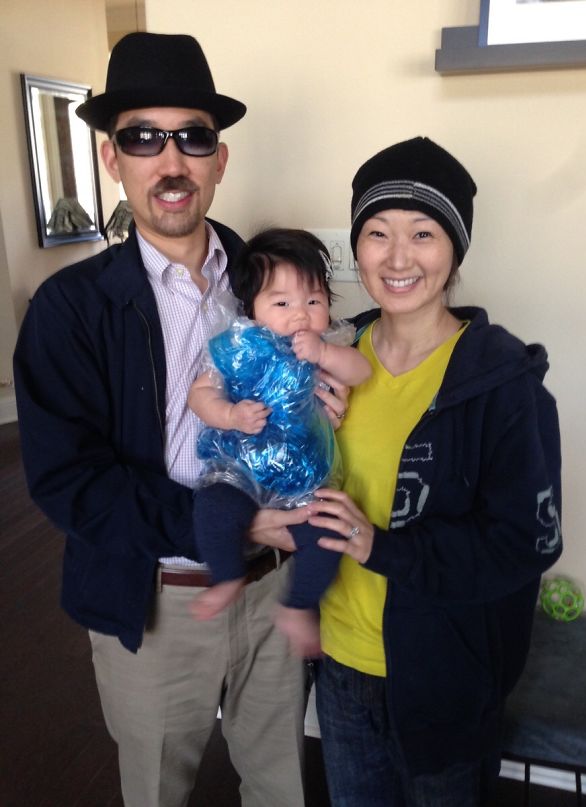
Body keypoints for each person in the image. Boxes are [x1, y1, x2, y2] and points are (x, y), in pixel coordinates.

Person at [12, 32, 347, 807]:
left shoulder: (267, 277)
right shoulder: (70, 309)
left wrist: (327, 402)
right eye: (142, 137)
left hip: (274, 587)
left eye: (192, 137)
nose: (171, 161)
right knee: (158, 790)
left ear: (218, 159)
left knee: (280, 785)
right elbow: (68, 482)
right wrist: (219, 523)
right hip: (155, 598)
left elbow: (325, 366)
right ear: (111, 157)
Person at [301, 136, 563, 806]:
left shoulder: (501, 382)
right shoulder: (327, 360)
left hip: (446, 679)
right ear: (356, 247)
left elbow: (524, 543)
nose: (397, 258)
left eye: (422, 233)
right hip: (340, 665)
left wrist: (380, 546)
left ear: (454, 251)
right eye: (377, 233)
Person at [187, 228, 371, 656]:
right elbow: (201, 394)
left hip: (304, 479)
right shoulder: (240, 347)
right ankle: (227, 575)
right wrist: (231, 415)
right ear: (251, 309)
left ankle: (298, 606)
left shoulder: (327, 345)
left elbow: (361, 371)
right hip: (241, 470)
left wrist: (324, 354)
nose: (300, 315)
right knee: (213, 506)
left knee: (328, 534)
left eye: (313, 301)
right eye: (282, 303)